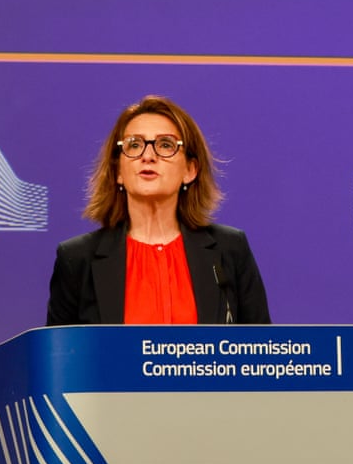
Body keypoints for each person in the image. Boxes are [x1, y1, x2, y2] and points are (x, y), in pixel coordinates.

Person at [47, 95, 270, 325]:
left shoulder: (229, 250)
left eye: (166, 145)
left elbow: (264, 351)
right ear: (118, 172)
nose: (148, 156)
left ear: (190, 170)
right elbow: (60, 356)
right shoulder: (77, 259)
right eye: (134, 145)